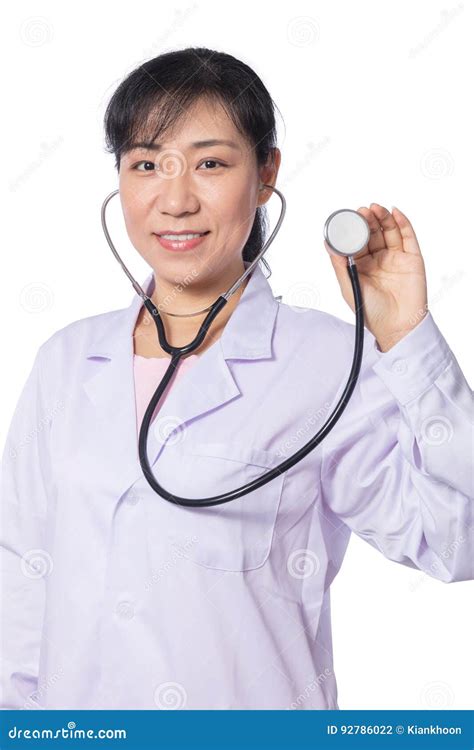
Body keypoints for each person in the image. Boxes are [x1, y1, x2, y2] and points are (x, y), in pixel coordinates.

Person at [1, 47, 472, 711]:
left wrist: (407, 340)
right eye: (146, 165)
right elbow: (21, 578)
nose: (176, 199)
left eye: (212, 163)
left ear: (266, 174)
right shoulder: (66, 361)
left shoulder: (327, 363)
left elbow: (456, 542)